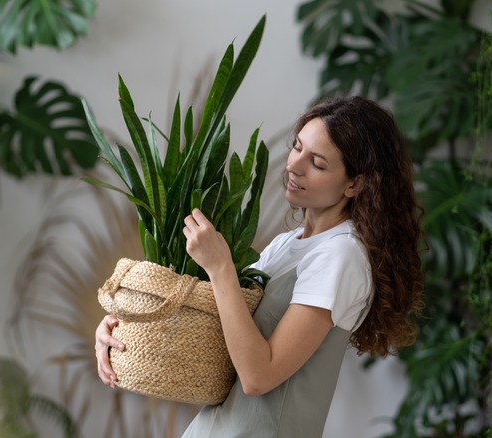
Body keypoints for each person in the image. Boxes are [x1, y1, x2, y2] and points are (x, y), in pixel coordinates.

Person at [95, 96, 424, 437]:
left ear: (354, 184)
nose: (294, 166)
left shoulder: (341, 256)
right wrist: (124, 328)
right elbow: (221, 340)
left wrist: (220, 267)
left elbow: (258, 377)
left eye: (318, 163)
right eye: (297, 148)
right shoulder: (287, 245)